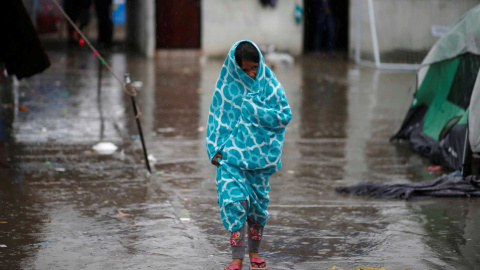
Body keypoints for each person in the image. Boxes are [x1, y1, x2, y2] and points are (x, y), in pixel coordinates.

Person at [206, 40, 292, 270]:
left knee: (257, 208)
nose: (251, 73)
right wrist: (214, 149)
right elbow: (217, 118)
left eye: (254, 67)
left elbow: (283, 115)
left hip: (259, 160)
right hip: (230, 157)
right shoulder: (226, 86)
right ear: (235, 68)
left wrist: (254, 111)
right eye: (244, 70)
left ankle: (254, 252)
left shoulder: (270, 85)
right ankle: (237, 258)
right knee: (235, 202)